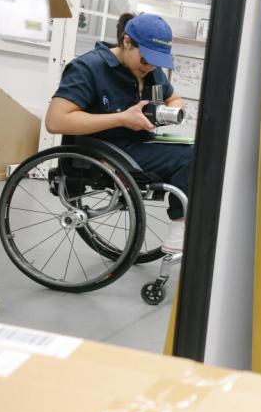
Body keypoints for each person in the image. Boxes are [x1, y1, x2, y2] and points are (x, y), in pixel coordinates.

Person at [44, 13, 192, 254]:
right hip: (106, 153)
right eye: (145, 59)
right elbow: (56, 120)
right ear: (126, 42)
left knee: (203, 150)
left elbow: (174, 97)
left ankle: (191, 220)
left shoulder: (151, 72)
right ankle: (181, 227)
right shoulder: (88, 67)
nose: (150, 66)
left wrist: (168, 111)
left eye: (156, 62)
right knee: (191, 156)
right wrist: (122, 118)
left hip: (139, 146)